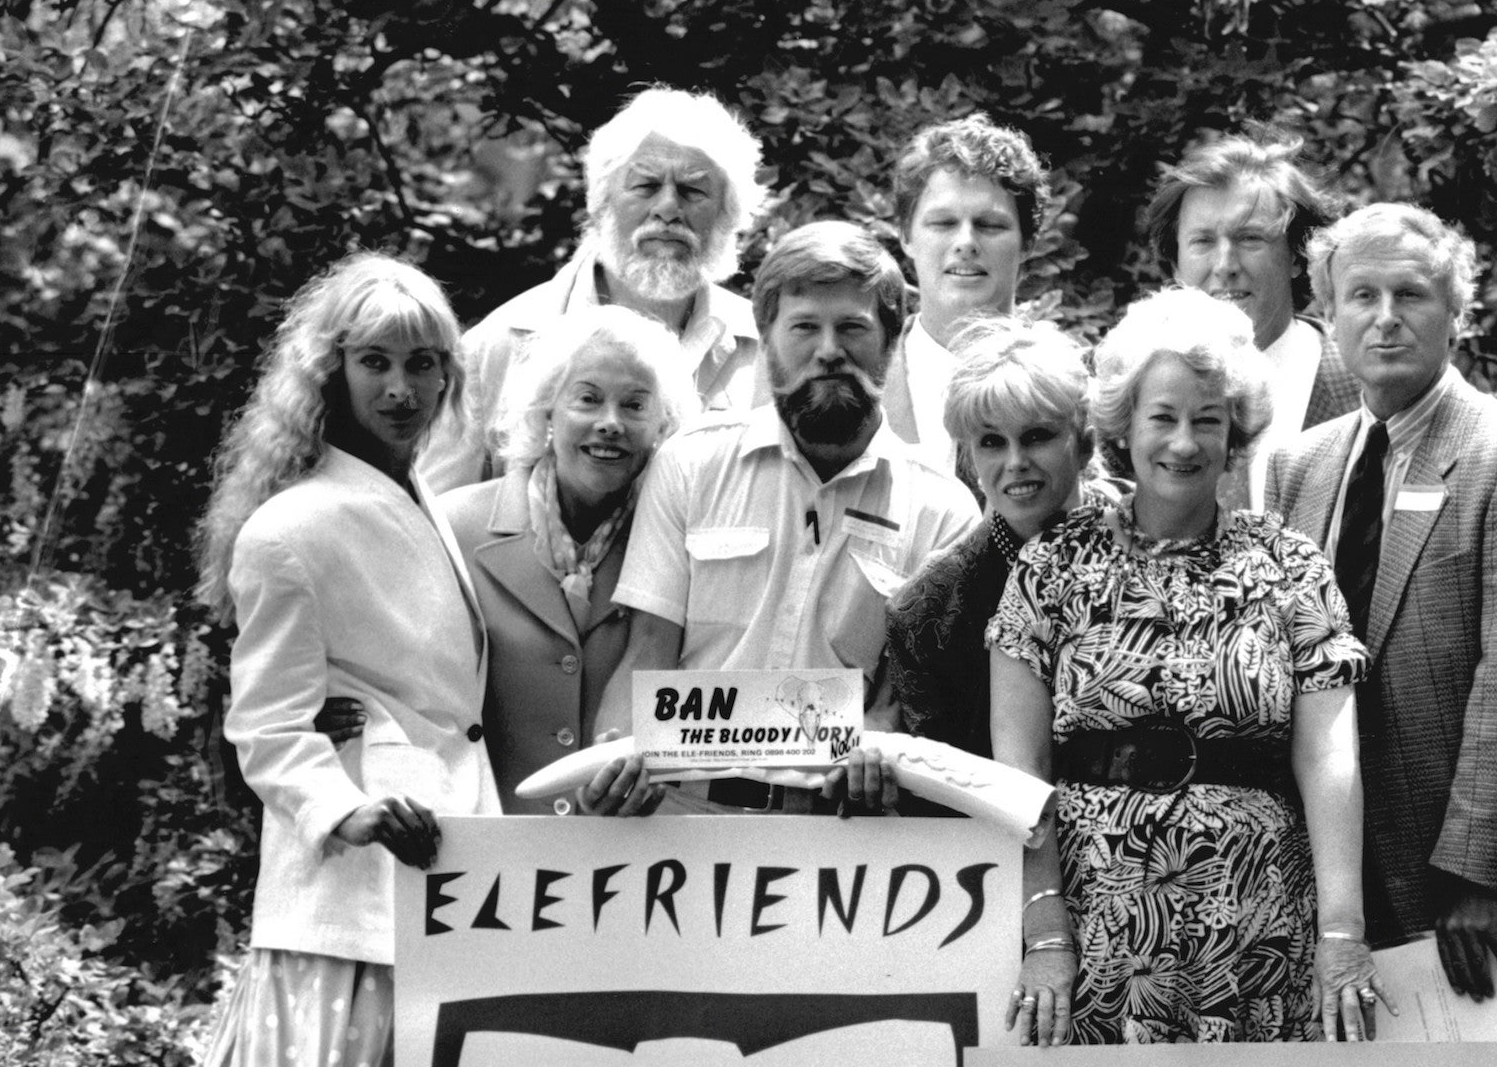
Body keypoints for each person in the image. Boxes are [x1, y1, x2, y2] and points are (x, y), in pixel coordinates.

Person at [169, 254, 494, 1067]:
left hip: (440, 869)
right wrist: (349, 807)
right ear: (331, 374)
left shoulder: (413, 496)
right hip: (352, 885)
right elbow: (270, 728)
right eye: (378, 363)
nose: (404, 388)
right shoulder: (296, 523)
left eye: (424, 365)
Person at [986, 287, 1383, 1045]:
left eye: (1207, 419)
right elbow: (1020, 770)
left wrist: (1341, 933)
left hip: (1258, 917)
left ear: (1235, 432)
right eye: (1162, 417)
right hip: (1098, 918)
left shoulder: (1290, 566)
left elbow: (1329, 757)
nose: (1184, 442)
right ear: (1123, 428)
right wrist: (1044, 931)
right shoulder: (1052, 567)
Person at [1266, 203, 1497, 1001]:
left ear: (1457, 315)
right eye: (1362, 296)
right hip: (1322, 867)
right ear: (1328, 316)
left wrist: (1477, 870)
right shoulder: (1299, 466)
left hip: (1453, 880)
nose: (1386, 318)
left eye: (1413, 295)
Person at [606, 221, 981, 809]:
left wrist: (885, 748)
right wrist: (609, 765)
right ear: (767, 334)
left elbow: (920, 701)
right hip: (680, 815)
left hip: (840, 833)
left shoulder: (942, 509)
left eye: (853, 328)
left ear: (892, 338)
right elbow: (647, 651)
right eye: (805, 327)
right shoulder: (691, 463)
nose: (829, 350)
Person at [421, 85, 768, 491]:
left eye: (693, 190)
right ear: (601, 201)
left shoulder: (762, 349)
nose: (668, 208)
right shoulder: (499, 346)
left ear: (729, 215)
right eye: (646, 185)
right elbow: (437, 522)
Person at [435, 306, 700, 812]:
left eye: (635, 405)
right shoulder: (454, 528)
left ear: (663, 427)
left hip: (626, 849)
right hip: (486, 846)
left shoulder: (676, 544)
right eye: (587, 399)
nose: (610, 424)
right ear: (546, 411)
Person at [883, 316, 1106, 760]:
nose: (1015, 461)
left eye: (1036, 436)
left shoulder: (1155, 534)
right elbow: (944, 788)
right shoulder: (930, 607)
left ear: (1084, 444)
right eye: (991, 442)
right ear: (969, 458)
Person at [1143, 129, 1359, 507]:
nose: (1225, 265)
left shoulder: (1363, 387)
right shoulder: (1132, 392)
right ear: (1175, 263)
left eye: (1250, 239)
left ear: (1297, 256)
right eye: (1203, 242)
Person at [880, 114, 1053, 472]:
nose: (965, 243)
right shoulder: (865, 382)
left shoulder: (1072, 385)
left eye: (990, 225)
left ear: (1028, 243)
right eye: (943, 223)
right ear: (906, 236)